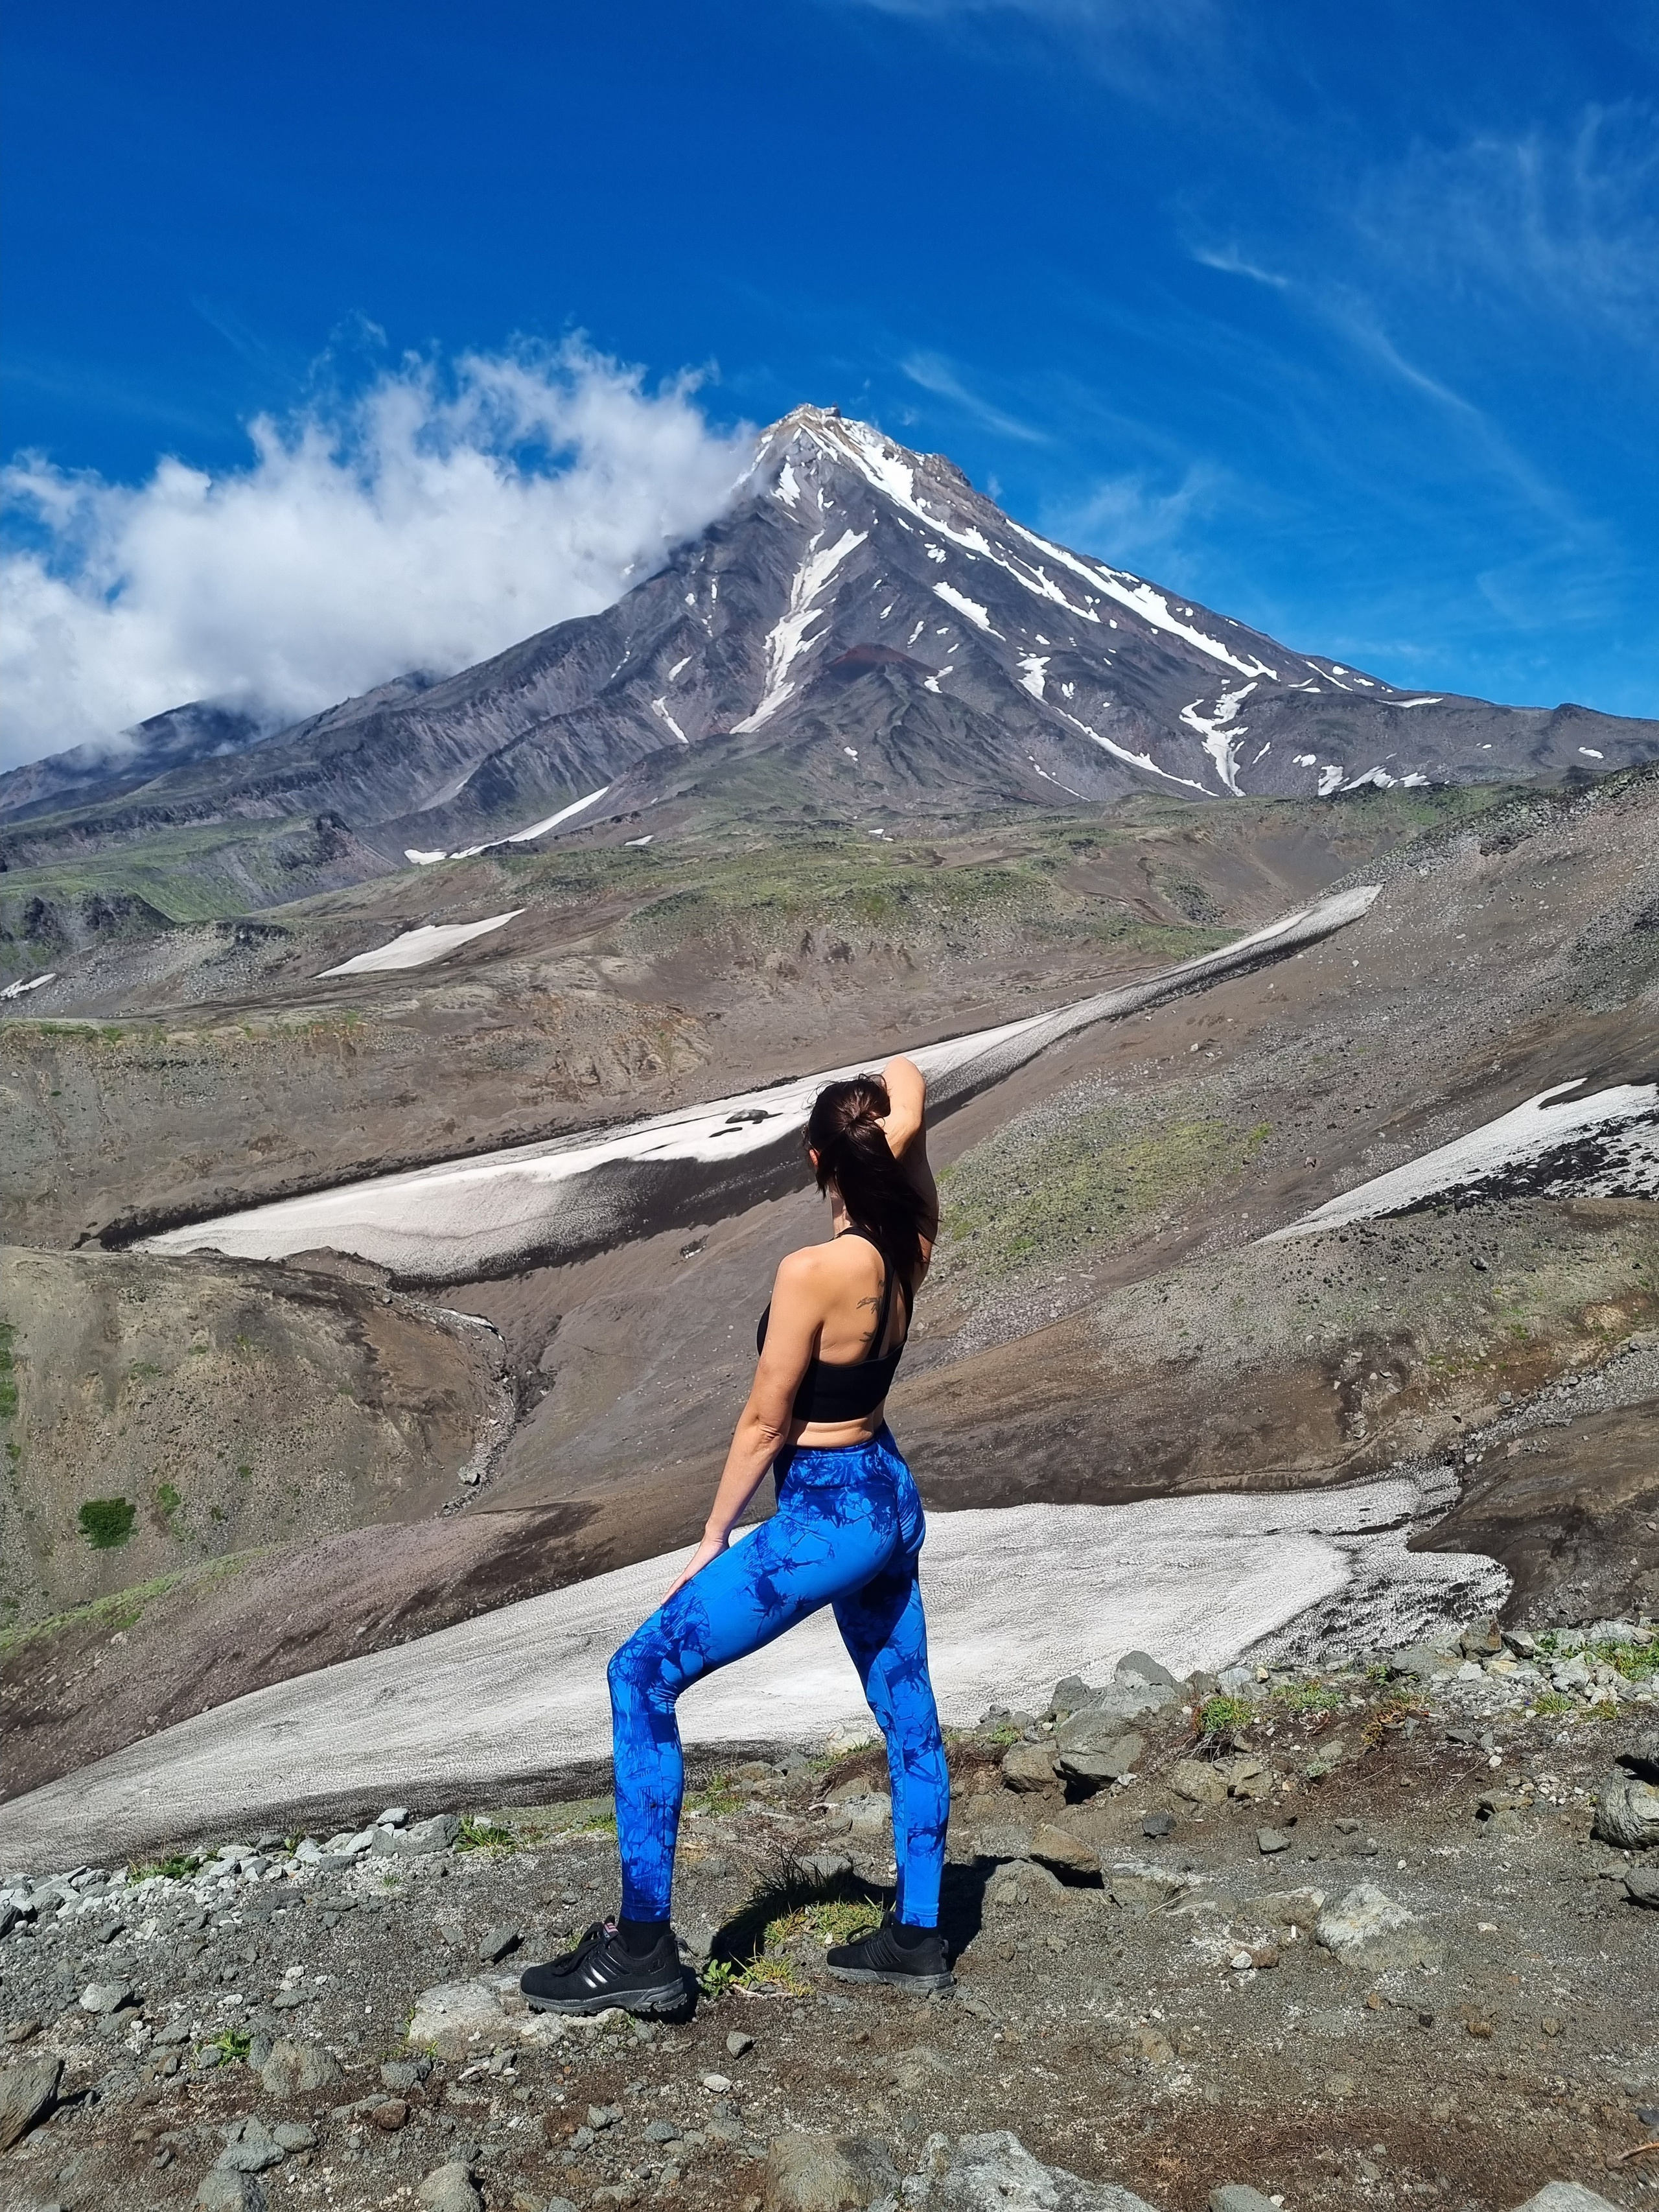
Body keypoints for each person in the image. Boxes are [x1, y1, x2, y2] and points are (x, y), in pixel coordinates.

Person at [520, 1056, 951, 2014]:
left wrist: (715, 1533)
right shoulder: (910, 1239)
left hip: (824, 1516)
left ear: (816, 1160)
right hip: (887, 1493)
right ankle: (919, 1931)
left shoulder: (812, 1271)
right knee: (908, 1711)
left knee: (639, 1675)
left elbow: (764, 1422)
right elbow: (909, 1076)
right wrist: (896, 1135)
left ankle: (641, 1946)